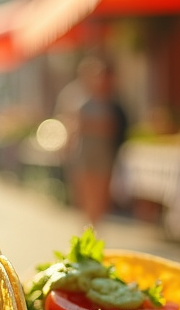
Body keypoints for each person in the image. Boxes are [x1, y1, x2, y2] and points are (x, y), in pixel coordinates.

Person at [71, 56, 127, 227]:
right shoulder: (81, 100)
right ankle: (88, 226)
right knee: (86, 192)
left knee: (101, 194)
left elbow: (113, 127)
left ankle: (95, 227)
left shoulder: (112, 103)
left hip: (103, 153)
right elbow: (77, 126)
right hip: (86, 152)